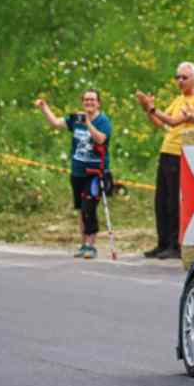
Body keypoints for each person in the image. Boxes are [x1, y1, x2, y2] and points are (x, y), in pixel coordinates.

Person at [136, 61, 194, 259]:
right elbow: (160, 122)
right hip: (167, 151)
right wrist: (147, 110)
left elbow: (174, 122)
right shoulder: (178, 99)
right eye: (178, 77)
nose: (180, 81)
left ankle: (175, 244)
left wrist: (152, 108)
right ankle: (163, 242)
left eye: (184, 77)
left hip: (180, 153)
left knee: (173, 201)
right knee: (161, 199)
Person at [35, 90, 112, 259]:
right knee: (81, 209)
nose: (89, 103)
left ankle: (92, 245)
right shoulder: (76, 118)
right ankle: (84, 243)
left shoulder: (103, 121)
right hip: (77, 171)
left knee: (89, 207)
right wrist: (44, 107)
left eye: (92, 100)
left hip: (95, 172)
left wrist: (88, 123)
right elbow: (56, 123)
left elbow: (101, 139)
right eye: (86, 100)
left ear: (98, 103)